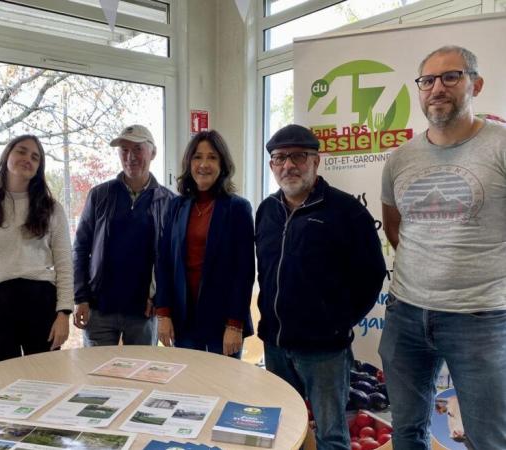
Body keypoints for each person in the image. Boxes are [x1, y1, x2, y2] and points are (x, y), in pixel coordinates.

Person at [380, 45, 506, 450]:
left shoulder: (501, 146)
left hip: (481, 318)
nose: (438, 88)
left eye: (450, 77)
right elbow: (395, 227)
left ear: (476, 84)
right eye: (428, 81)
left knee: (489, 438)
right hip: (406, 313)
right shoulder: (401, 159)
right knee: (407, 430)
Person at [256, 124, 385, 450]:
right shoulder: (266, 210)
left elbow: (372, 273)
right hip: (275, 345)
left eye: (298, 156)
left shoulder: (345, 211)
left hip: (324, 350)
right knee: (282, 427)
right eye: (280, 158)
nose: (289, 165)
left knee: (331, 434)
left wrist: (337, 322)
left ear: (316, 161)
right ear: (272, 165)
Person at [0, 134, 73, 365]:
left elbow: (64, 264)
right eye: (21, 151)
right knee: (0, 384)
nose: (28, 159)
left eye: (35, 157)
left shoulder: (52, 209)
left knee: (46, 379)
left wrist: (63, 313)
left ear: (39, 167)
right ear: (7, 156)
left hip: (41, 303)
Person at [155, 130, 254, 357]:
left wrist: (234, 324)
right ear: (189, 163)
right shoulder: (175, 206)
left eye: (212, 157)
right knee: (188, 388)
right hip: (183, 319)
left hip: (224, 323)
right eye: (197, 157)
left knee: (224, 389)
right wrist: (163, 314)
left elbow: (244, 271)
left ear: (223, 164)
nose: (204, 164)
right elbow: (164, 262)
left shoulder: (238, 208)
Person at [73, 124, 174, 346]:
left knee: (142, 377)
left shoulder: (169, 202)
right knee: (97, 376)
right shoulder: (99, 195)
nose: (130, 157)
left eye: (138, 149)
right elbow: (80, 248)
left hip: (144, 312)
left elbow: (170, 259)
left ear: (153, 152)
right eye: (124, 150)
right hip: (99, 309)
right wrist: (80, 297)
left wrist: (161, 299)